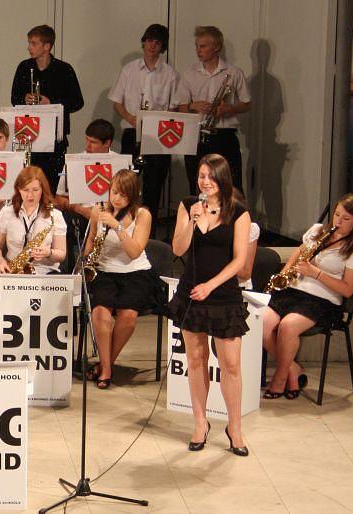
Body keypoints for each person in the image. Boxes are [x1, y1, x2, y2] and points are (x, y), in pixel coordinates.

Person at [168, 154, 252, 457]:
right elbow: (178, 248)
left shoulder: (238, 212)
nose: (205, 182)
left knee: (231, 364)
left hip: (223, 294)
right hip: (191, 293)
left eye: (211, 176)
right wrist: (191, 221)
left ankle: (235, 428)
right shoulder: (188, 205)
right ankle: (200, 423)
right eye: (202, 176)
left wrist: (211, 286)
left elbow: (240, 261)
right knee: (195, 359)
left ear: (222, 179)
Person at [261, 194, 353, 399]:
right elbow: (299, 252)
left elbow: (347, 290)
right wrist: (286, 272)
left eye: (346, 218)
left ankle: (280, 378)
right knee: (262, 322)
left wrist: (316, 273)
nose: (338, 221)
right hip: (295, 291)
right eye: (337, 215)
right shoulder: (318, 231)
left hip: (323, 300)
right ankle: (293, 370)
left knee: (288, 326)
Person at [82, 170, 159, 389]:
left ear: (132, 196)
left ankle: (104, 366)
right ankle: (106, 368)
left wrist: (117, 226)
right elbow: (90, 241)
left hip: (135, 272)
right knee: (100, 313)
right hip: (105, 271)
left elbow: (134, 252)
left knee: (128, 317)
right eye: (114, 192)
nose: (116, 198)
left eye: (123, 195)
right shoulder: (98, 211)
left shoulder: (142, 215)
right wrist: (86, 257)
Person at [109, 24, 180, 214]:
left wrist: (158, 122)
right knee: (126, 185)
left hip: (158, 137)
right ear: (144, 42)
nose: (152, 46)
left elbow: (174, 106)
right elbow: (116, 101)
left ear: (162, 47)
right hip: (132, 132)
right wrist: (130, 117)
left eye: (157, 42)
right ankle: (123, 223)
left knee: (153, 188)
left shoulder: (170, 74)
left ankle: (150, 226)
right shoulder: (129, 69)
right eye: (149, 41)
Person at [176, 26, 250, 193]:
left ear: (216, 47)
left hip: (225, 136)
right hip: (197, 137)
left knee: (232, 187)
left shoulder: (234, 72)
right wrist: (192, 106)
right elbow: (178, 107)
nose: (198, 50)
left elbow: (246, 103)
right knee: (197, 187)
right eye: (197, 46)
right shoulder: (189, 74)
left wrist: (229, 108)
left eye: (203, 46)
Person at [10, 24, 84, 191]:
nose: (29, 47)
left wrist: (51, 103)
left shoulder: (64, 69)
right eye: (29, 43)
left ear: (47, 46)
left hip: (55, 138)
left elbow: (77, 102)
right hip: (28, 135)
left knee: (51, 184)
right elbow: (14, 99)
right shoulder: (24, 67)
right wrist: (24, 98)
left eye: (34, 43)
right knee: (28, 183)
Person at [0, 166, 68, 274]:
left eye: (35, 190)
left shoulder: (55, 216)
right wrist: (0, 261)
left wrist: (48, 253)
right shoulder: (7, 212)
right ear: (19, 189)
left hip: (45, 273)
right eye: (25, 190)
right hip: (13, 272)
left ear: (43, 190)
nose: (30, 195)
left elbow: (61, 254)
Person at [55, 119, 118, 220]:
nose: (87, 147)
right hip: (80, 217)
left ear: (107, 143)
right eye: (87, 140)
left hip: (111, 217)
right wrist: (81, 210)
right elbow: (59, 199)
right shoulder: (73, 162)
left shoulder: (120, 163)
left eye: (93, 142)